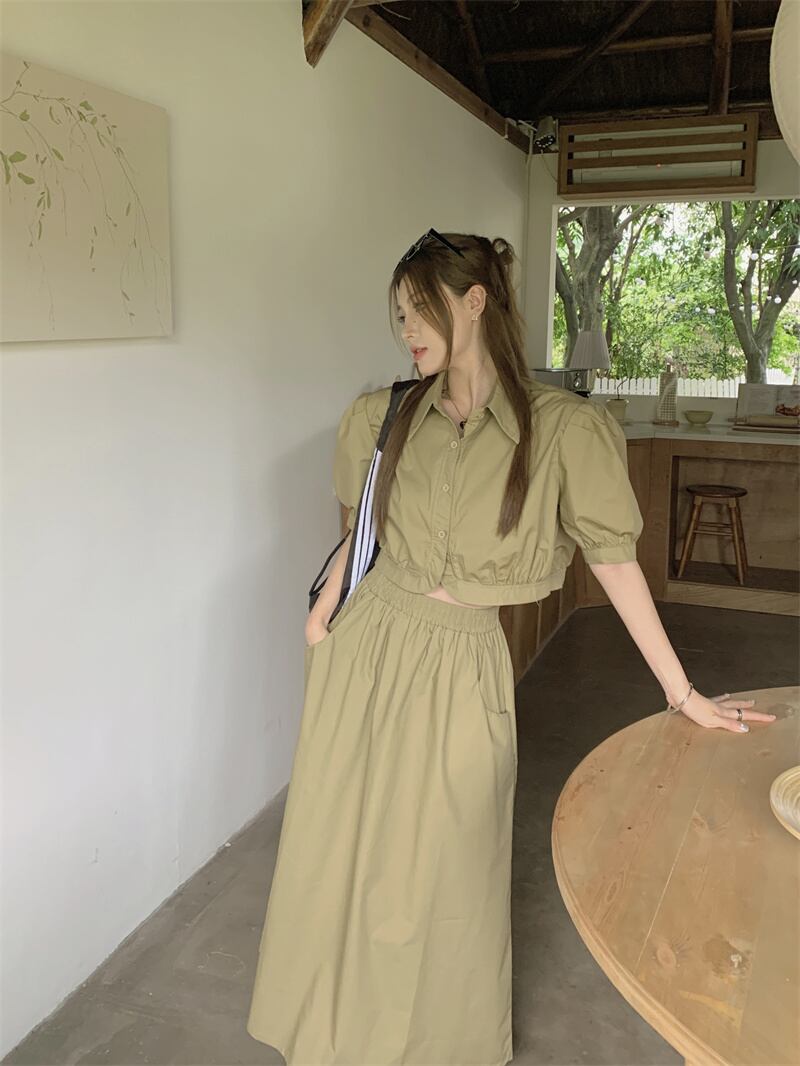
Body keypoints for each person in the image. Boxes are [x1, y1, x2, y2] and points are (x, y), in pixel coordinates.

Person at [246, 229, 776, 1066]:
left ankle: (428, 1044)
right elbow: (363, 526)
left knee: (446, 863)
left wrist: (682, 693)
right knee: (339, 849)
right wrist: (321, 616)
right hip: (367, 647)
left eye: (419, 309)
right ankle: (331, 1033)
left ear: (475, 301)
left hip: (461, 661)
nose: (406, 330)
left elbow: (614, 561)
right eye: (397, 315)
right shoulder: (386, 413)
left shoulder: (563, 431)